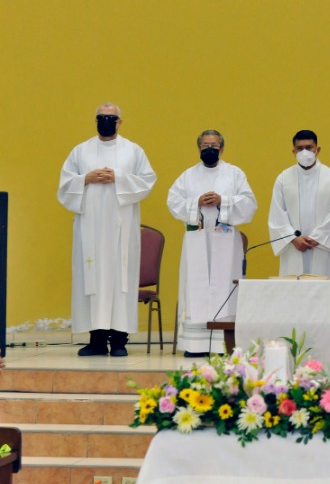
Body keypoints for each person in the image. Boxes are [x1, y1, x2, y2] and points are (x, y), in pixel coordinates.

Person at [57, 103, 157, 357]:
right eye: (101, 117)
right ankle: (97, 341)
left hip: (121, 228)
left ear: (120, 122)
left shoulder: (133, 151)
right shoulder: (81, 151)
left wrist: (119, 178)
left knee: (120, 281)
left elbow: (147, 181)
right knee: (92, 280)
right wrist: (85, 179)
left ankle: (120, 341)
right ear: (95, 120)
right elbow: (64, 186)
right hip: (90, 228)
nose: (106, 121)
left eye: (111, 117)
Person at [167, 129, 257, 357]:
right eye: (205, 145)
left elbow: (249, 203)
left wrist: (223, 201)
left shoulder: (234, 174)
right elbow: (173, 202)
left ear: (222, 148)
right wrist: (196, 202)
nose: (209, 149)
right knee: (195, 285)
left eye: (214, 145)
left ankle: (221, 345)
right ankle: (195, 345)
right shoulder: (187, 176)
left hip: (225, 241)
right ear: (198, 148)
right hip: (197, 240)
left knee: (224, 284)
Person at [267, 130, 330, 279]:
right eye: (300, 148)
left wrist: (319, 237)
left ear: (318, 150)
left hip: (322, 247)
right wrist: (292, 238)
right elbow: (277, 213)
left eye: (309, 147)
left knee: (324, 292)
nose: (305, 152)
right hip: (293, 247)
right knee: (294, 292)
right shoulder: (283, 178)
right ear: (293, 151)